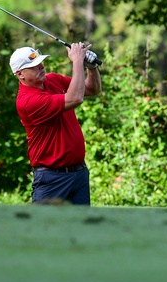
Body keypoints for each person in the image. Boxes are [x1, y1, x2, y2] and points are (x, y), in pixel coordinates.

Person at [10, 41, 102, 205]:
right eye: (34, 66)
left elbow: (91, 89)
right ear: (20, 74)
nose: (41, 67)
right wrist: (77, 61)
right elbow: (75, 98)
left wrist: (91, 67)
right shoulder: (27, 101)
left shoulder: (53, 80)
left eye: (40, 62)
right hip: (52, 179)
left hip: (79, 173)